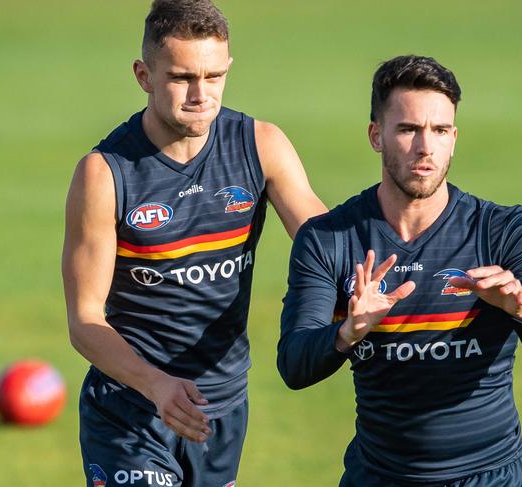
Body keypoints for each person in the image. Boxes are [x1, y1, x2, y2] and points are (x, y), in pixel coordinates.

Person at [277, 55, 522, 486]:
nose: (425, 147)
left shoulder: (502, 230)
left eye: (439, 131)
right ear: (376, 136)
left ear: (453, 138)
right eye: (408, 129)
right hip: (380, 476)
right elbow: (294, 363)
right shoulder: (329, 239)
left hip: (489, 476)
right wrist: (348, 332)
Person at [61, 1, 326, 486]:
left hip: (220, 407)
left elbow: (326, 247)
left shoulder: (260, 145)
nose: (201, 95)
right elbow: (84, 321)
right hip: (130, 409)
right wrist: (156, 386)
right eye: (182, 78)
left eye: (214, 76)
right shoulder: (104, 174)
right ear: (144, 75)